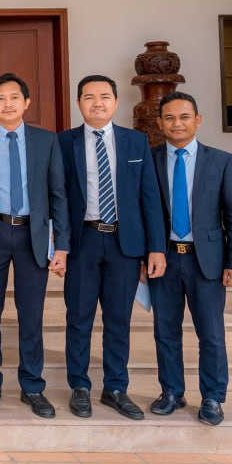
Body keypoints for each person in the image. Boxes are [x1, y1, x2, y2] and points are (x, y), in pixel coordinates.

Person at [58, 75, 166, 421]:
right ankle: (79, 386)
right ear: (78, 103)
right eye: (89, 97)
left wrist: (155, 248)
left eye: (105, 96)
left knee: (118, 319)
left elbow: (149, 197)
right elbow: (57, 198)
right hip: (83, 241)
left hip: (125, 243)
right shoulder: (64, 142)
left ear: (116, 102)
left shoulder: (136, 142)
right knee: (79, 318)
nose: (97, 103)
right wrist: (57, 246)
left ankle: (116, 388)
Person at [0, 72, 70, 418]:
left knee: (31, 315)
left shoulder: (46, 141)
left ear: (26, 103)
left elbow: (58, 195)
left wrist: (61, 246)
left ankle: (32, 385)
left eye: (14, 97)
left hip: (32, 236)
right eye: (0, 98)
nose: (7, 104)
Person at [149, 91, 232, 426]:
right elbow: (143, 212)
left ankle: (213, 397)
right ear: (160, 123)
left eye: (184, 117)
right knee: (165, 331)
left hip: (206, 261)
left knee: (211, 333)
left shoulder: (221, 161)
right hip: (164, 259)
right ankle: (171, 392)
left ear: (198, 120)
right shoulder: (150, 160)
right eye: (169, 118)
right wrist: (143, 257)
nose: (177, 123)